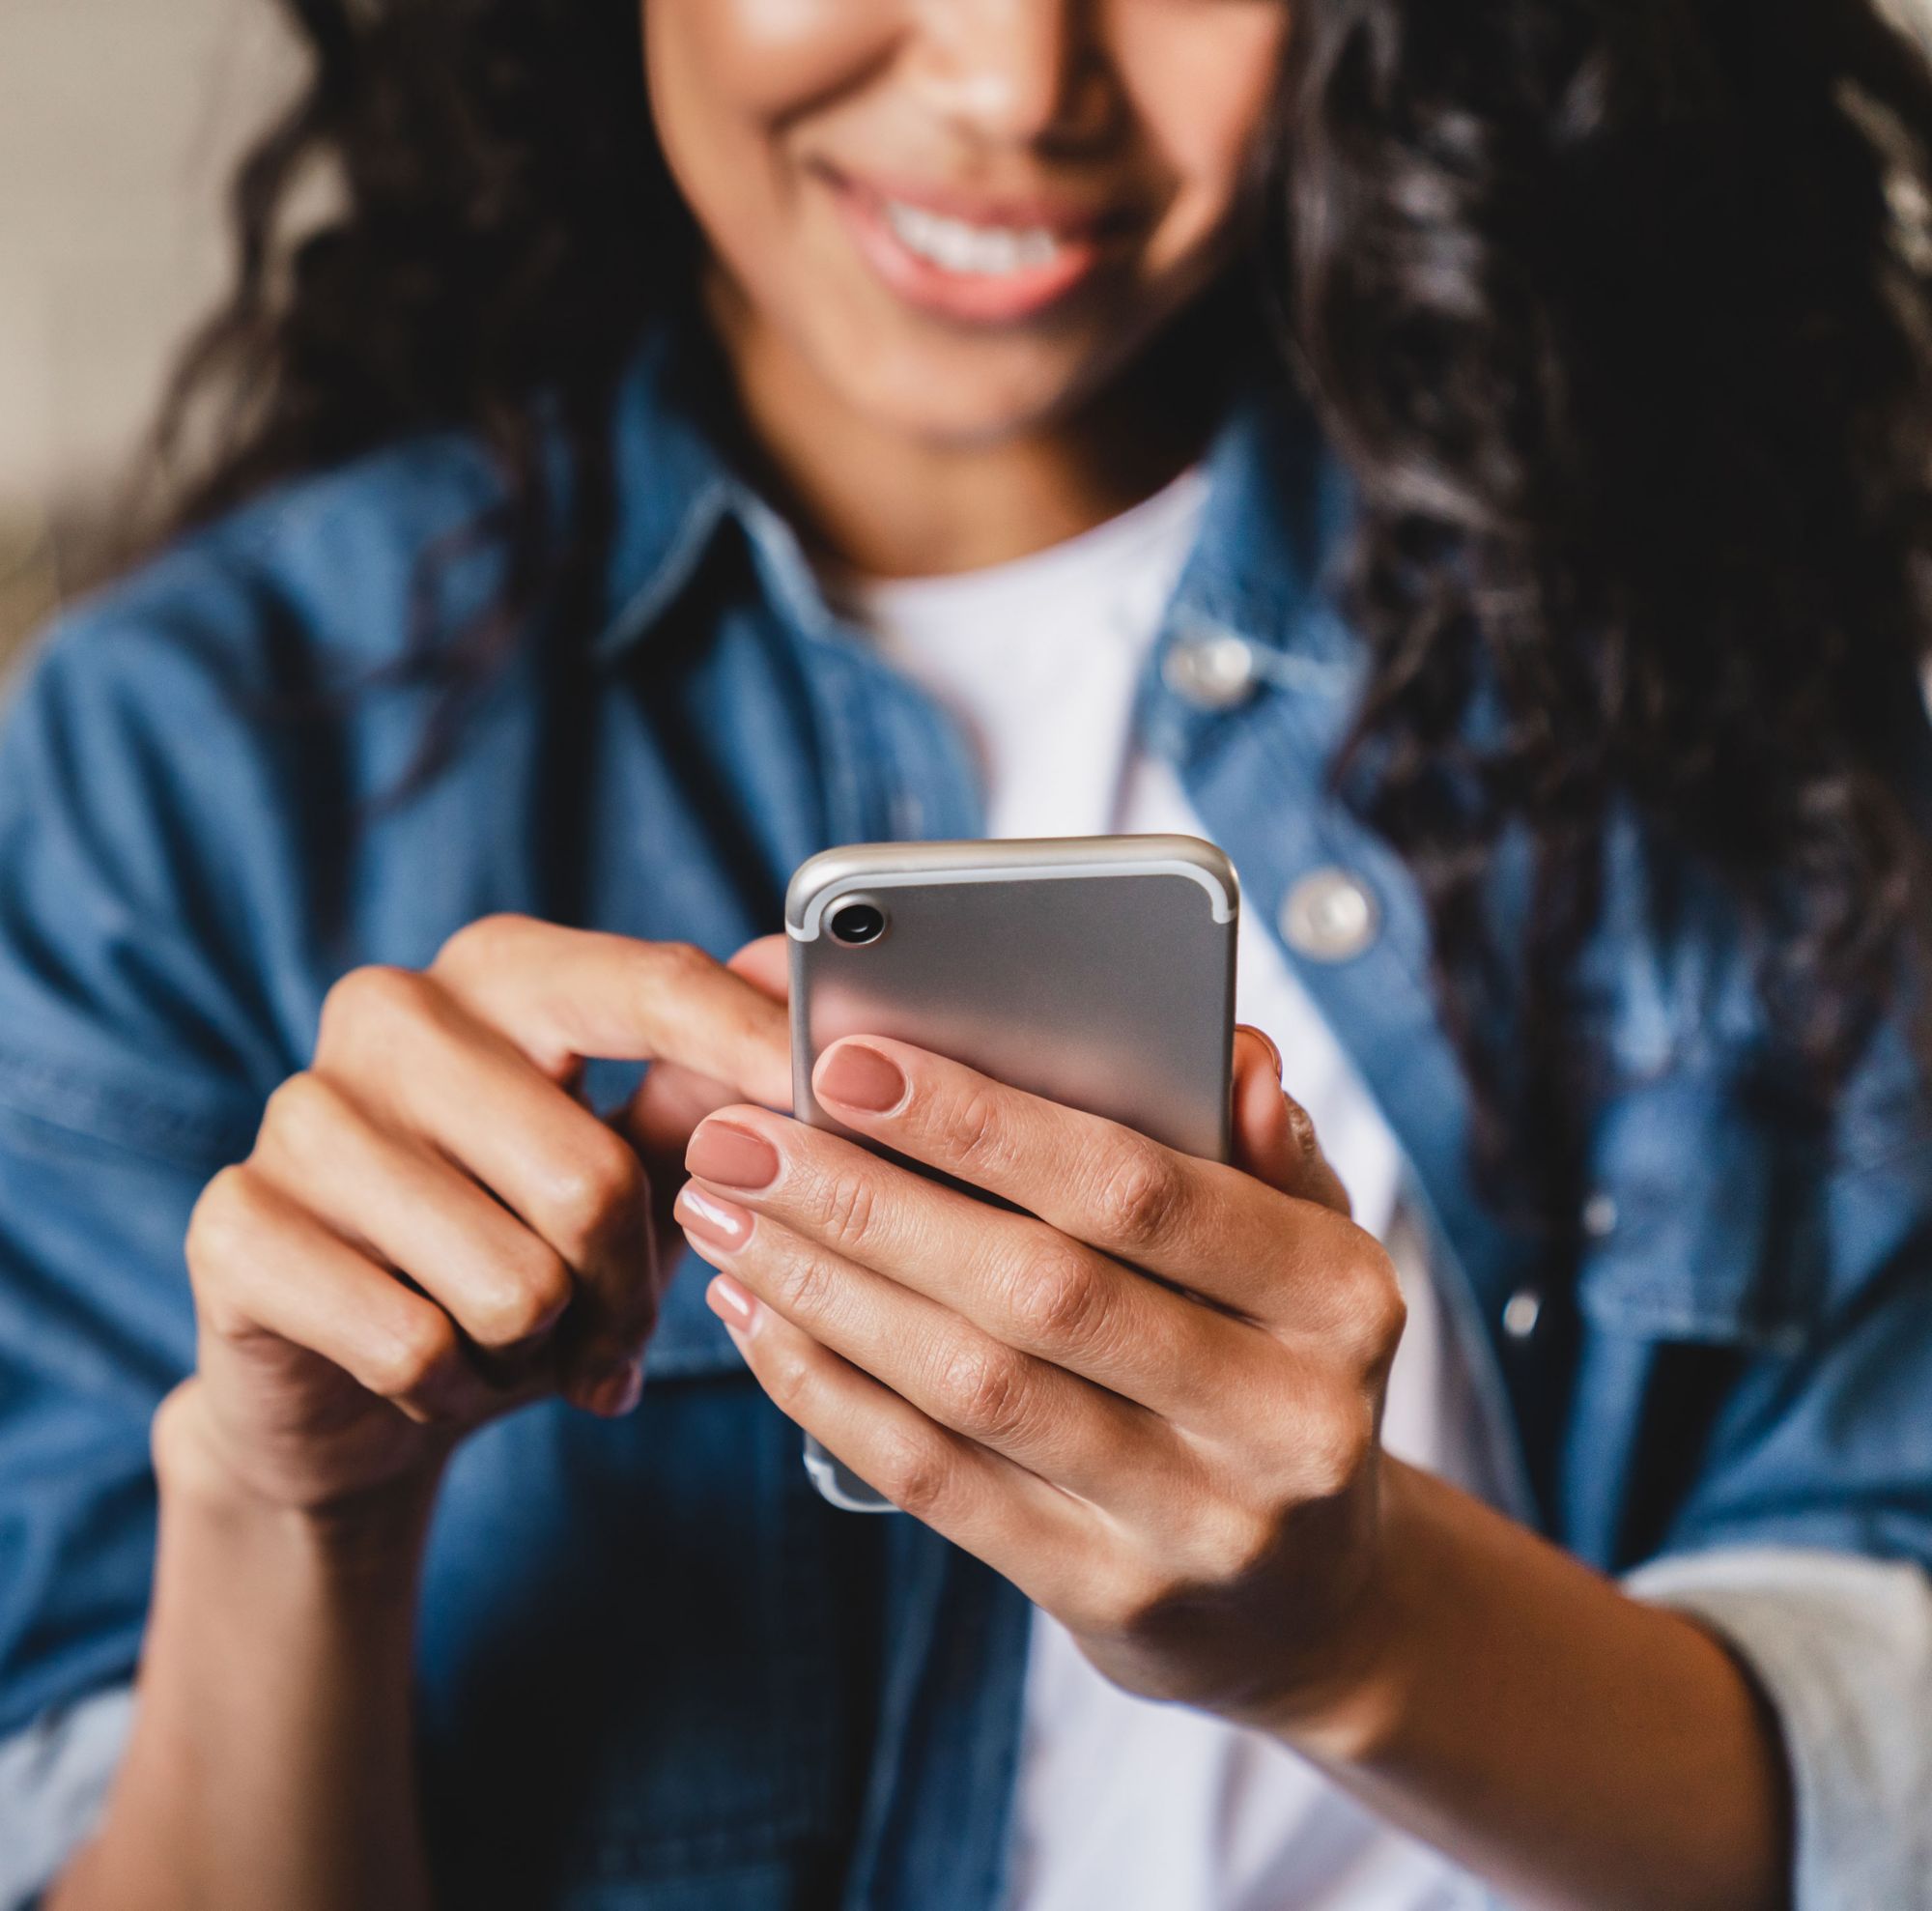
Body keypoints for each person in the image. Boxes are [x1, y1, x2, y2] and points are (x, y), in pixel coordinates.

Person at [4, 2, 1932, 1906]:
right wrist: (294, 1511)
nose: (1014, 86)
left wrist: (1355, 1629)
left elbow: (1885, 1749)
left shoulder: (1715, 666)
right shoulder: (182, 759)